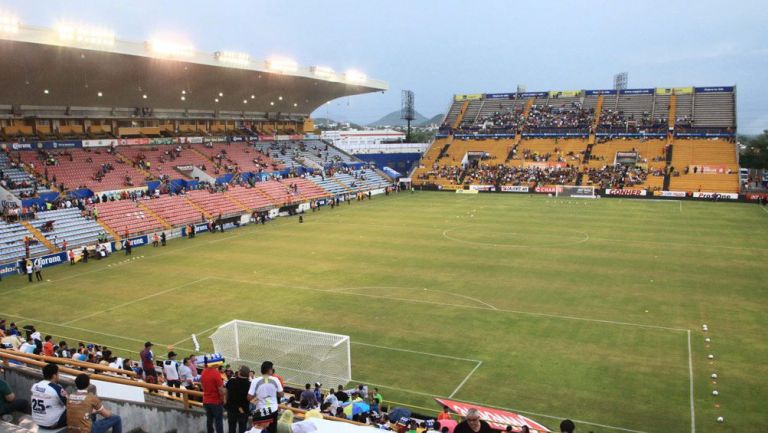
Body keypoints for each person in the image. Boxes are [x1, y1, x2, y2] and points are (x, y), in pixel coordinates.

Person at [247, 361, 283, 433]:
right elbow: (281, 394)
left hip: (260, 410)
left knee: (258, 430)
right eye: (272, 369)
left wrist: (258, 397)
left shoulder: (255, 381)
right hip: (273, 410)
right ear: (269, 370)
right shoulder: (276, 380)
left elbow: (249, 397)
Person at [30, 363, 67, 429]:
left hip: (37, 421)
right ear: (54, 375)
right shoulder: (56, 388)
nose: (59, 375)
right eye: (58, 373)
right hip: (51, 424)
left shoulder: (35, 385)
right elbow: (69, 403)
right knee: (75, 407)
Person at [201, 357, 226, 433]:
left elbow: (202, 386)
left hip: (206, 400)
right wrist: (224, 399)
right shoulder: (216, 374)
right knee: (218, 421)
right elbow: (221, 390)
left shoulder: (203, 372)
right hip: (215, 402)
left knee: (209, 420)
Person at [225, 366, 251, 433]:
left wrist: (226, 403)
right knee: (242, 428)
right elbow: (251, 398)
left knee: (231, 427)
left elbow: (226, 393)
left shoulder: (231, 381)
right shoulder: (249, 384)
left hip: (231, 409)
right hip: (243, 410)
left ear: (239, 372)